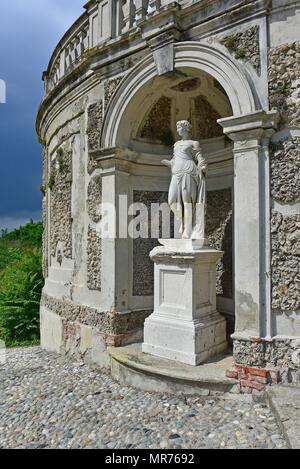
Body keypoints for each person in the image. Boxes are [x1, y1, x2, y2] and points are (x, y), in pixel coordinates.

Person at [162, 120, 208, 239]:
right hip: (176, 172)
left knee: (187, 201)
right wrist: (169, 163)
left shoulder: (194, 143)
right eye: (177, 127)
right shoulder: (176, 144)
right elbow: (175, 159)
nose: (177, 130)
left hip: (189, 171)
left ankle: (187, 230)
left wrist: (202, 166)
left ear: (185, 128)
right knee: (172, 201)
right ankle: (183, 223)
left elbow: (200, 158)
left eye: (179, 127)